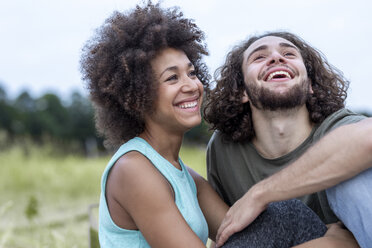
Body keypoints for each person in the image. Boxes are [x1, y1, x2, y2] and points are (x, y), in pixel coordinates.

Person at [79, 3, 347, 248]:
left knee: (286, 215)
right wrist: (334, 240)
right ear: (136, 98)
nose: (192, 86)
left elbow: (238, 231)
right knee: (291, 217)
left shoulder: (185, 176)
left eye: (192, 73)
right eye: (172, 78)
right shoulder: (133, 170)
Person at [204, 31, 372, 248]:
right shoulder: (224, 149)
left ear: (310, 85)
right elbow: (228, 233)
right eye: (259, 57)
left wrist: (259, 194)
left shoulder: (338, 127)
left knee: (355, 172)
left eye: (289, 54)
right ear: (241, 91)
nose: (276, 58)